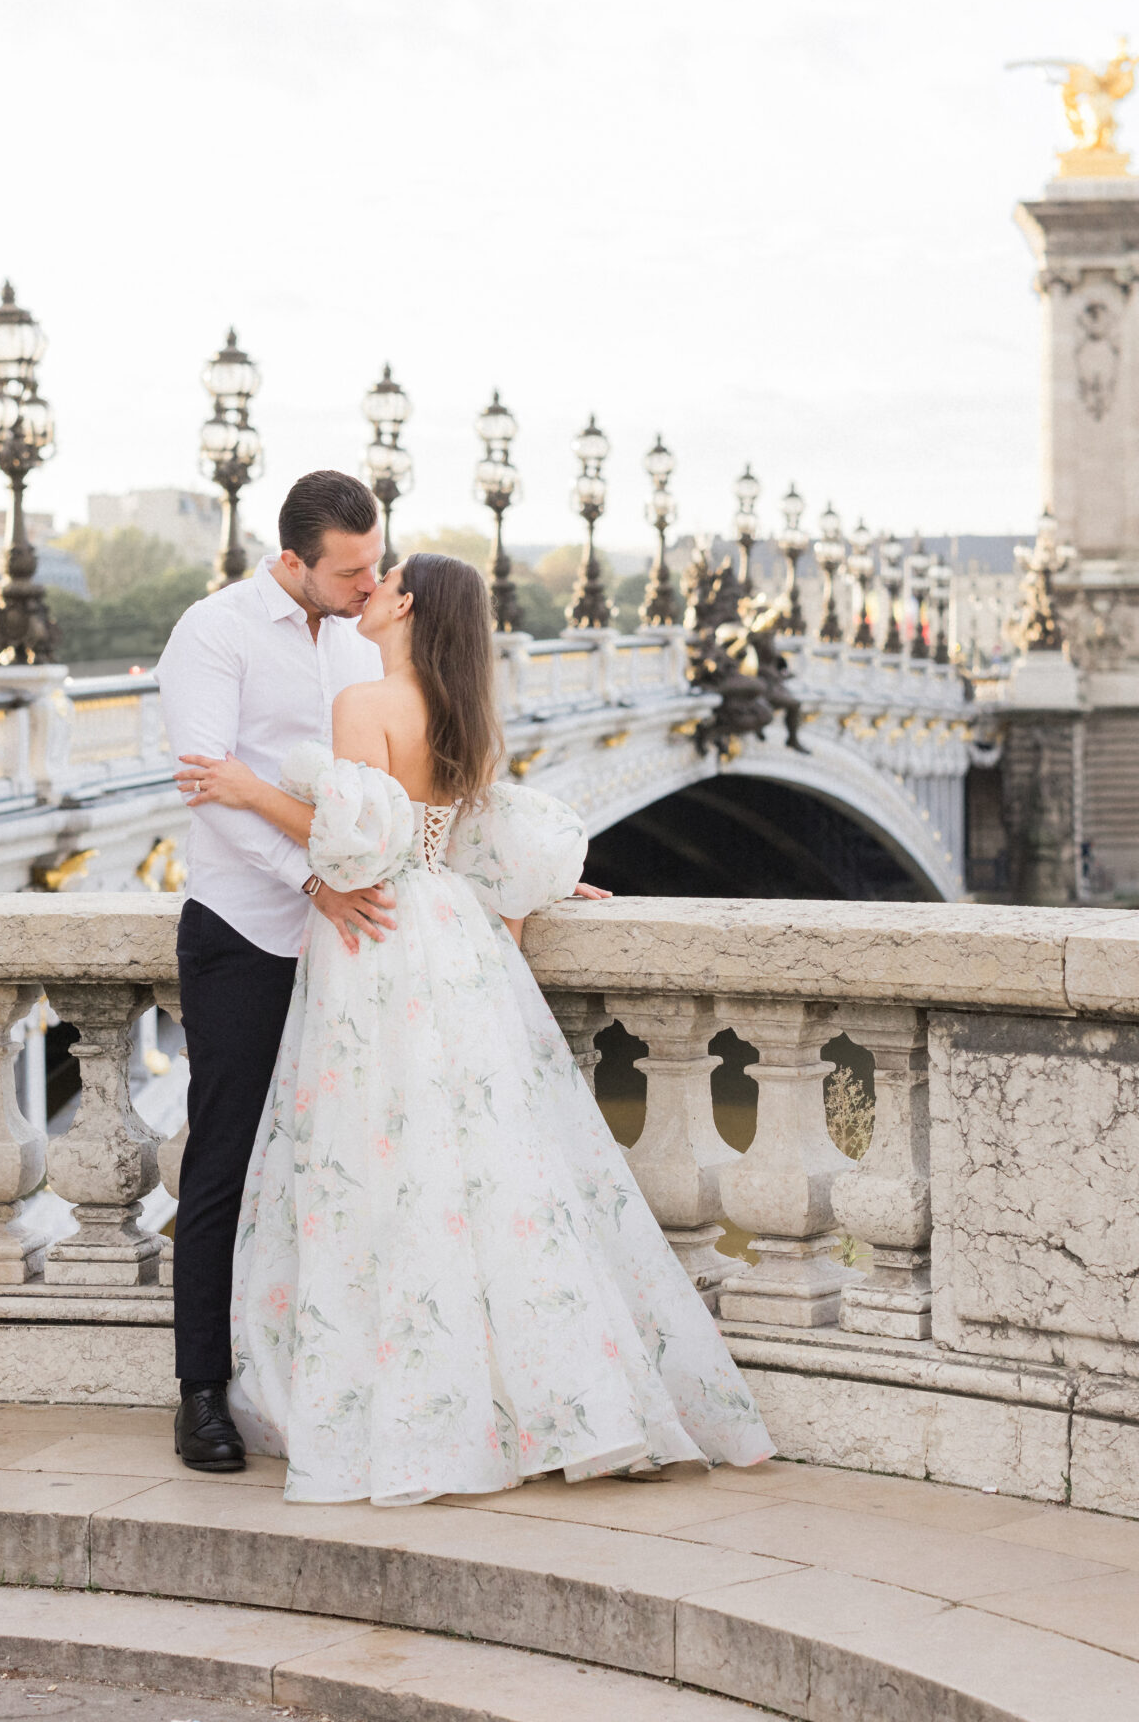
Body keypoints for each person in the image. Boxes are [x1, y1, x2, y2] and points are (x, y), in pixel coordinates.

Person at [176, 551, 775, 1505]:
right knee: (489, 1161)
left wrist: (252, 792)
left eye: (387, 579)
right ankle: (547, 1396)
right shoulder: (469, 718)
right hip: (458, 937)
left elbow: (355, 847)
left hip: (377, 940)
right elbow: (492, 850)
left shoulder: (366, 705)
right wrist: (523, 906)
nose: (371, 590)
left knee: (375, 1156)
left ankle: (403, 1393)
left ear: (408, 603)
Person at [153, 471, 396, 1475]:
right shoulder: (213, 633)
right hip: (247, 930)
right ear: (290, 560)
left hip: (349, 942)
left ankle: (337, 1380)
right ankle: (199, 1395)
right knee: (223, 1164)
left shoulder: (357, 638)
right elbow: (209, 789)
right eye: (349, 569)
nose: (368, 582)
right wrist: (310, 879)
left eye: (376, 561)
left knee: (345, 1162)